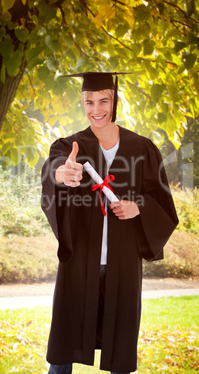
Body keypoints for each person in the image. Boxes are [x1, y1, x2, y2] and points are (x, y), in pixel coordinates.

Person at [41, 72, 178, 373]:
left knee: (120, 347)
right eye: (89, 101)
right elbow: (53, 171)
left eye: (104, 100)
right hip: (79, 260)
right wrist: (62, 175)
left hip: (123, 262)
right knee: (64, 345)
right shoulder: (70, 146)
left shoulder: (141, 148)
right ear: (82, 102)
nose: (96, 108)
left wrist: (138, 207)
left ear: (115, 101)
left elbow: (163, 203)